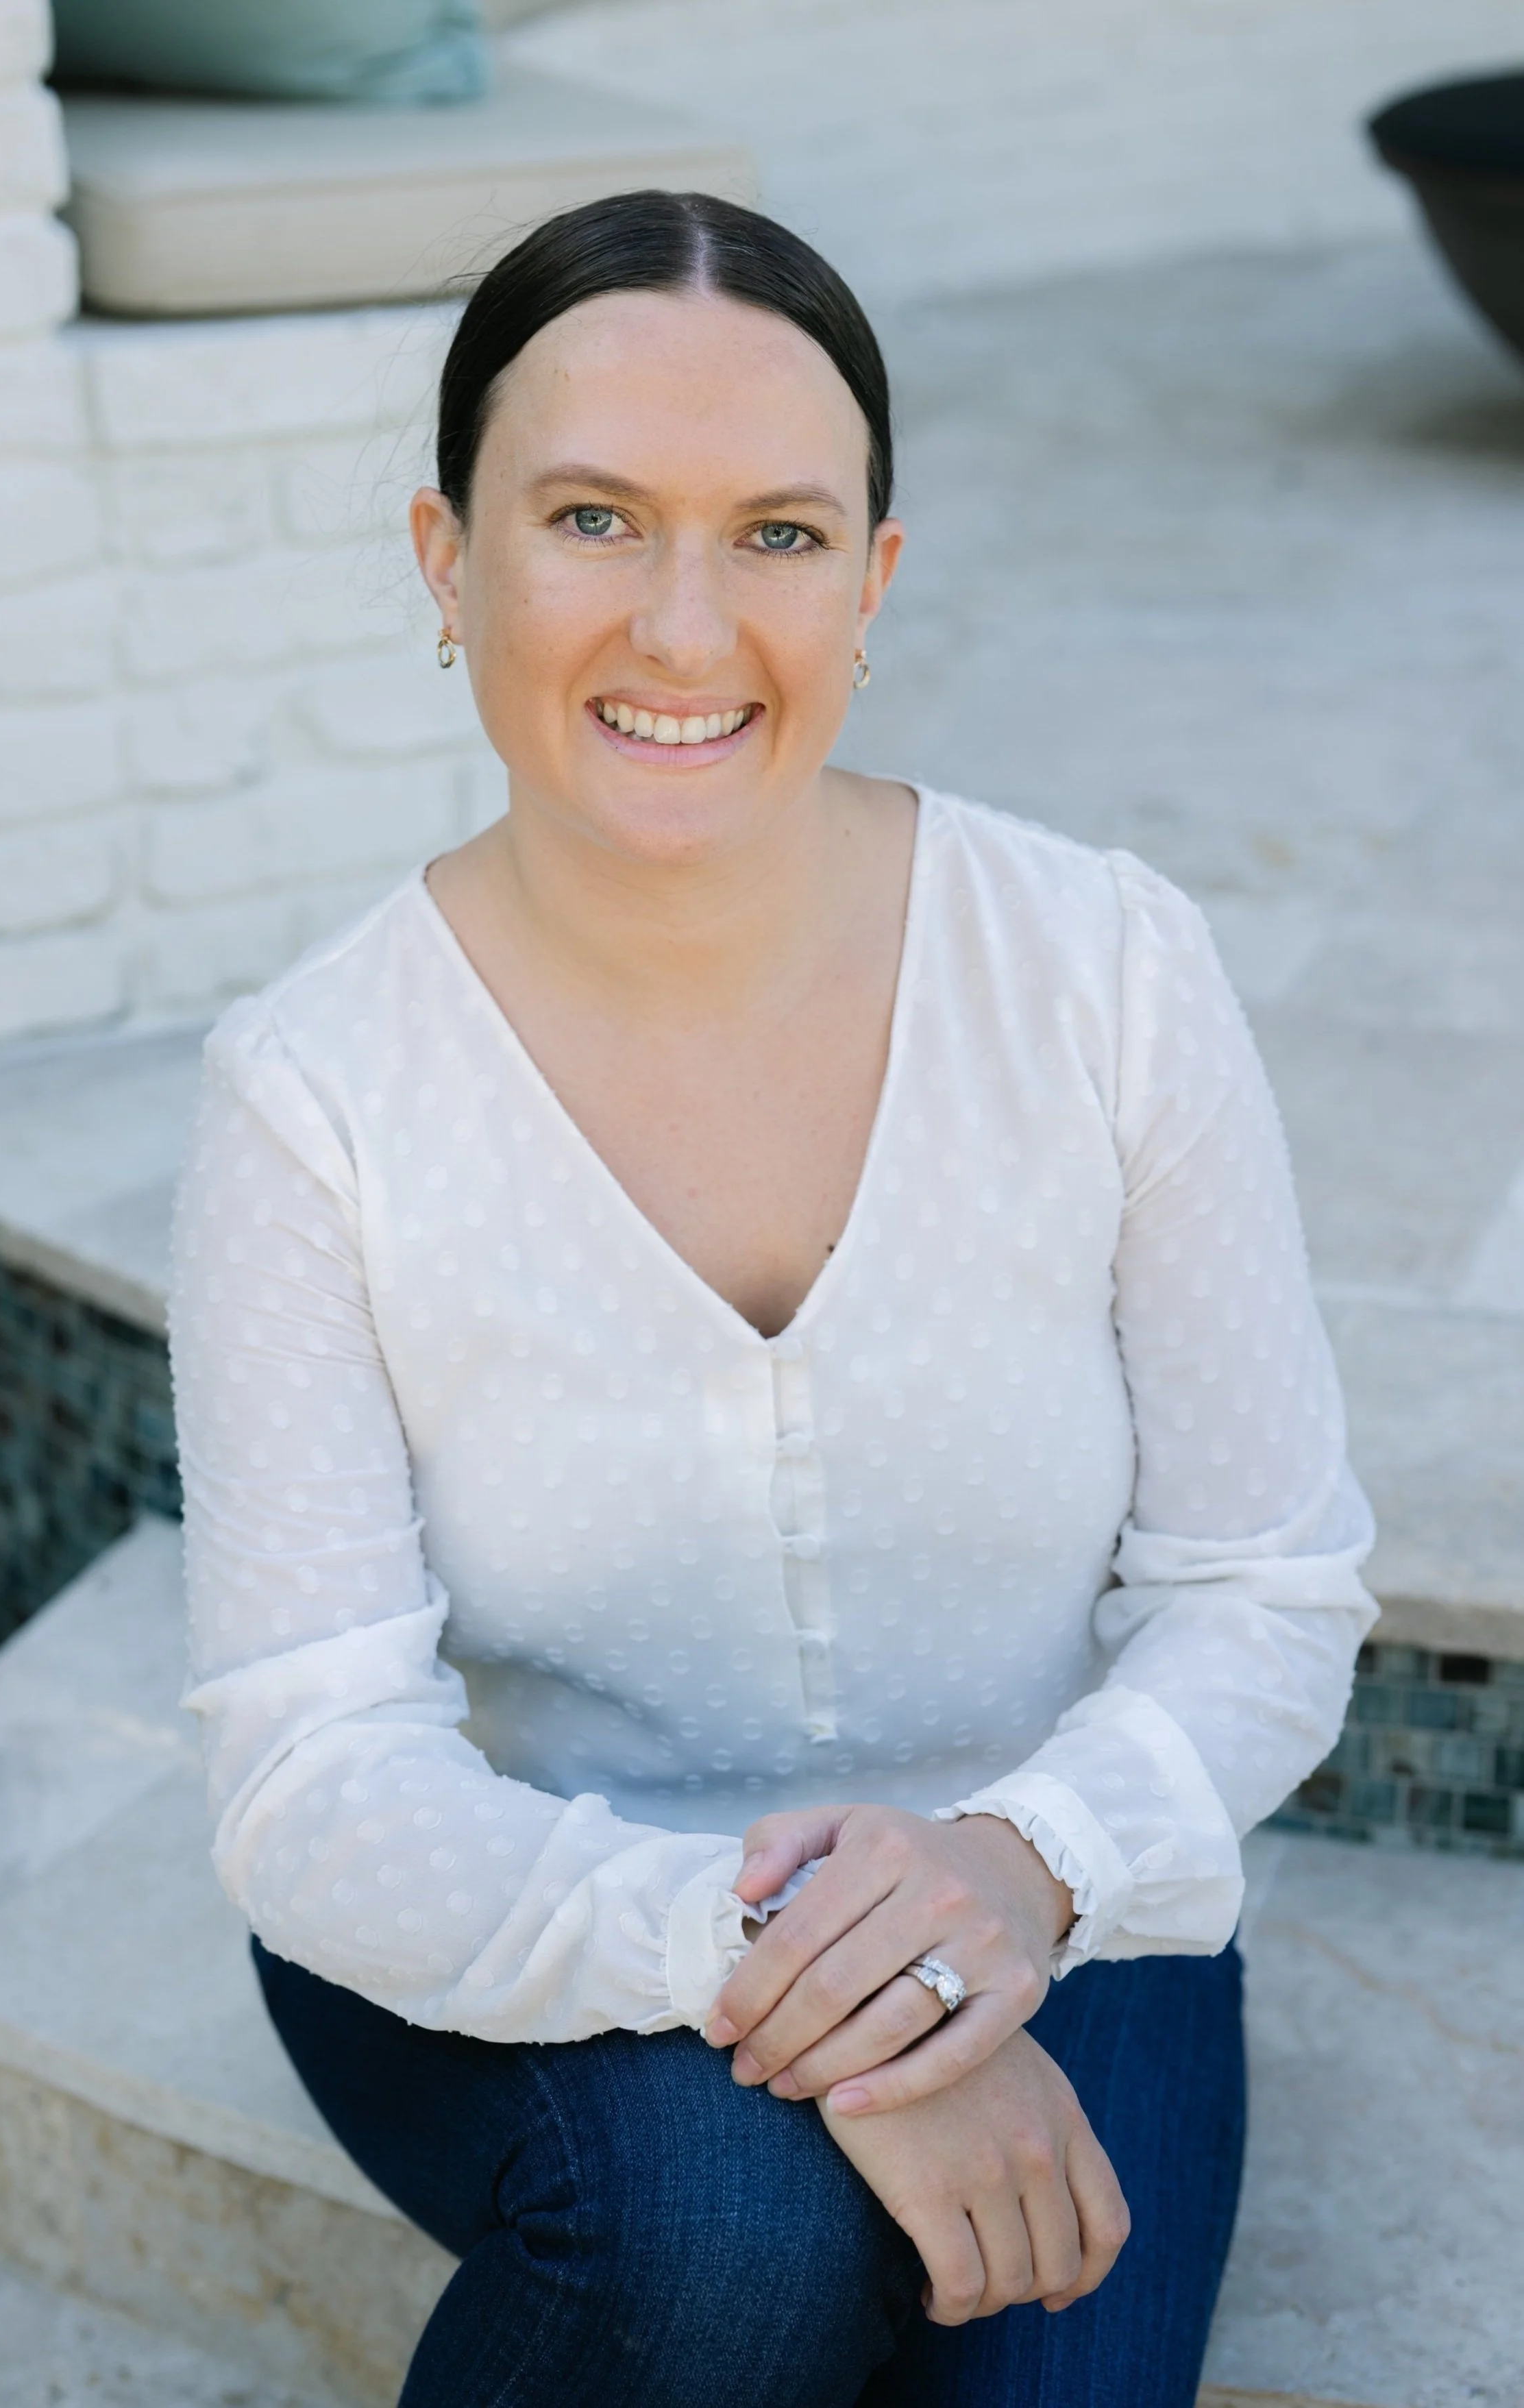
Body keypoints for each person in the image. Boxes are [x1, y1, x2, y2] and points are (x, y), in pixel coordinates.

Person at [169, 189, 1377, 2408]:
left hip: (1051, 1894)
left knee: (1040, 2362)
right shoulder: (313, 1095)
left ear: (876, 581)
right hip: (503, 1919)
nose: (687, 626)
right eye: (595, 517)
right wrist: (837, 2002)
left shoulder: (1102, 974)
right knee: (724, 2229)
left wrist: (1013, 1875)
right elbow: (315, 1769)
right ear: (449, 563)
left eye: (780, 536)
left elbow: (1265, 1589)